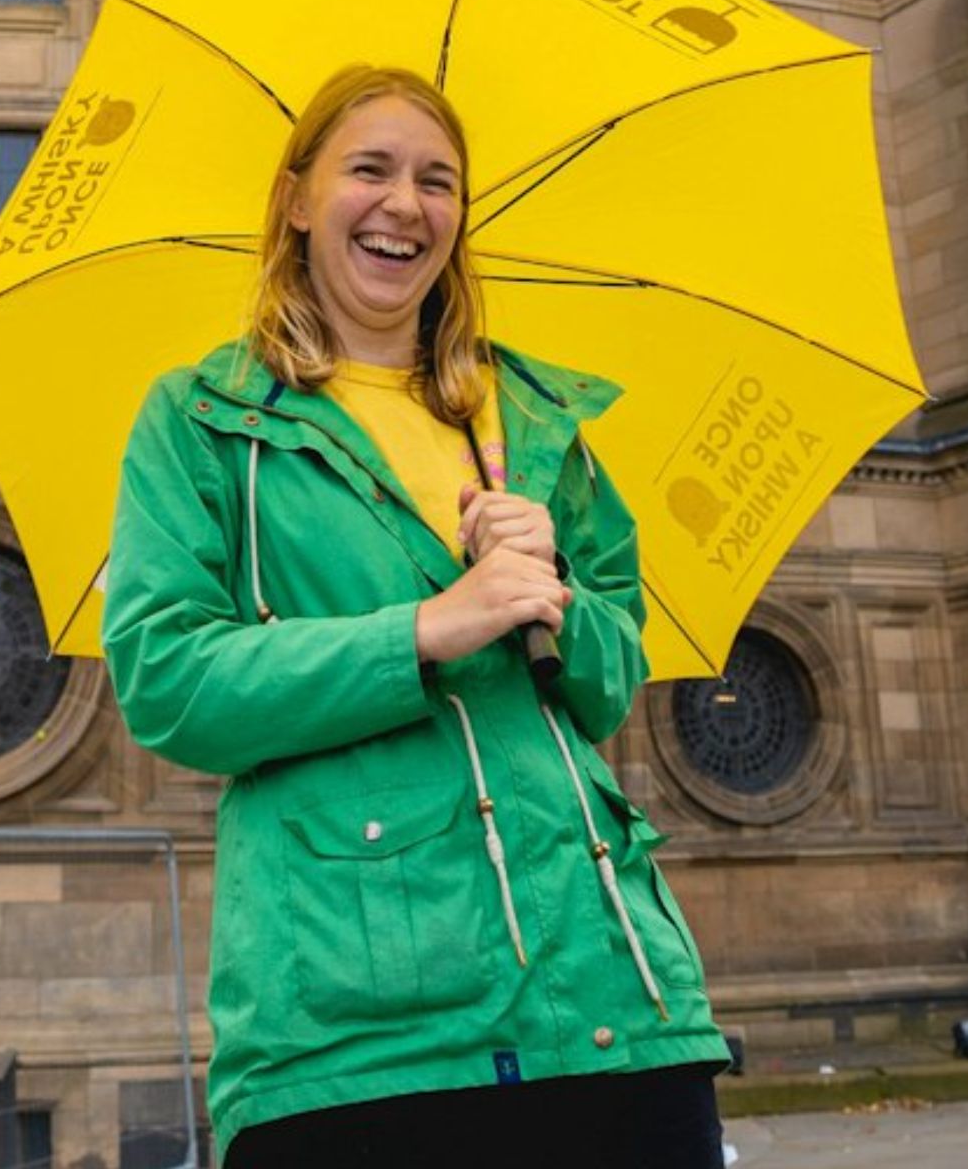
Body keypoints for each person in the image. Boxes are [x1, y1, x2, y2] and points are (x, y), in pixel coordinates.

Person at [105, 64, 733, 1168]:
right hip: (360, 1039)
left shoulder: (531, 417)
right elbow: (169, 678)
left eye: (438, 180)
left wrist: (556, 590)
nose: (407, 203)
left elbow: (604, 681)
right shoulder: (205, 421)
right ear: (297, 198)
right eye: (371, 169)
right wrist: (429, 627)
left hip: (616, 1004)